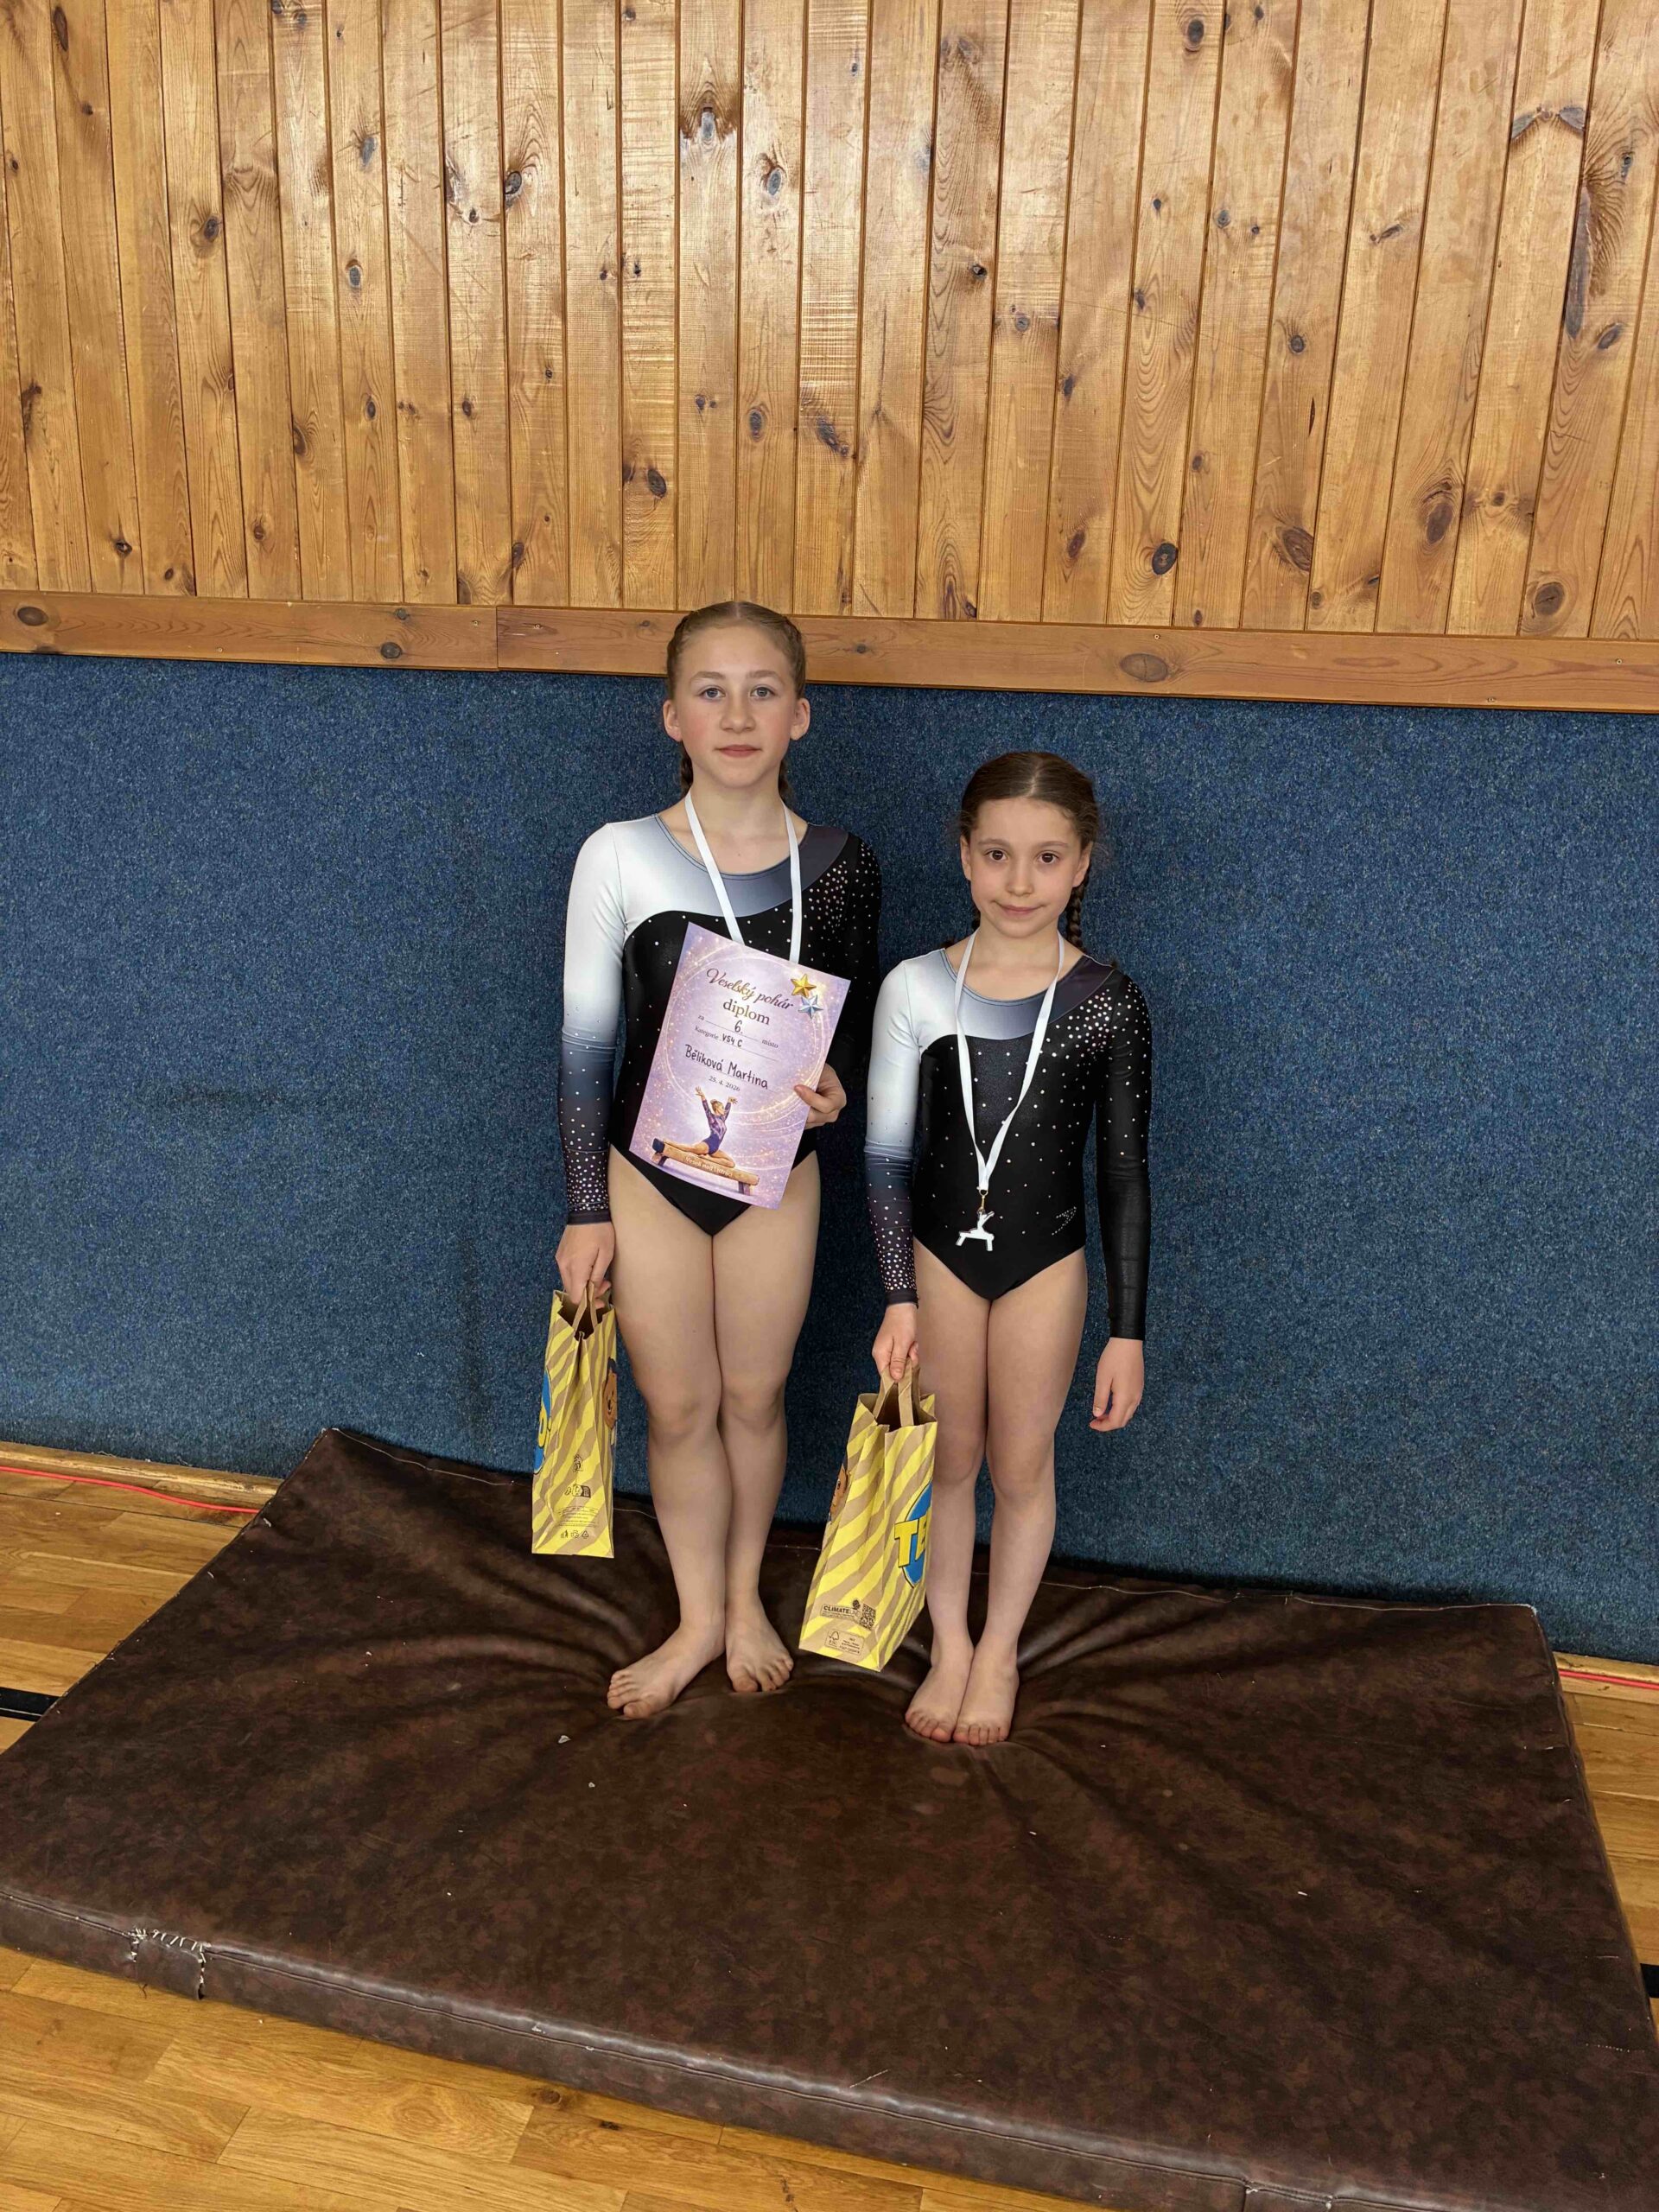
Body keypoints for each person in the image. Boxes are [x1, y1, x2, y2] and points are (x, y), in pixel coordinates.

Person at [556, 601, 881, 1718]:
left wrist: (841, 1089)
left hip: (774, 1172)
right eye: (710, 691)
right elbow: (585, 1047)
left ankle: (742, 1601)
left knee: (753, 1393)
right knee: (680, 1403)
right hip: (648, 1176)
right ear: (671, 717)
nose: (736, 715)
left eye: (761, 691)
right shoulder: (619, 854)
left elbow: (854, 1033)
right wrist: (586, 1207)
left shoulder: (842, 864)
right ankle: (696, 1618)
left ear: (801, 715)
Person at [865, 751, 1151, 1746]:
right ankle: (950, 1643)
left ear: (1083, 864)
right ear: (964, 855)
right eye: (997, 854)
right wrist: (898, 1295)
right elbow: (885, 1159)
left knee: (1022, 1466)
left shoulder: (1107, 999)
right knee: (948, 1457)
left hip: (1045, 1264)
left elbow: (1125, 1174)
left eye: (1046, 857)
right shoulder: (914, 988)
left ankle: (1000, 1650)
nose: (1019, 882)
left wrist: (1128, 1333)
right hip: (940, 1261)